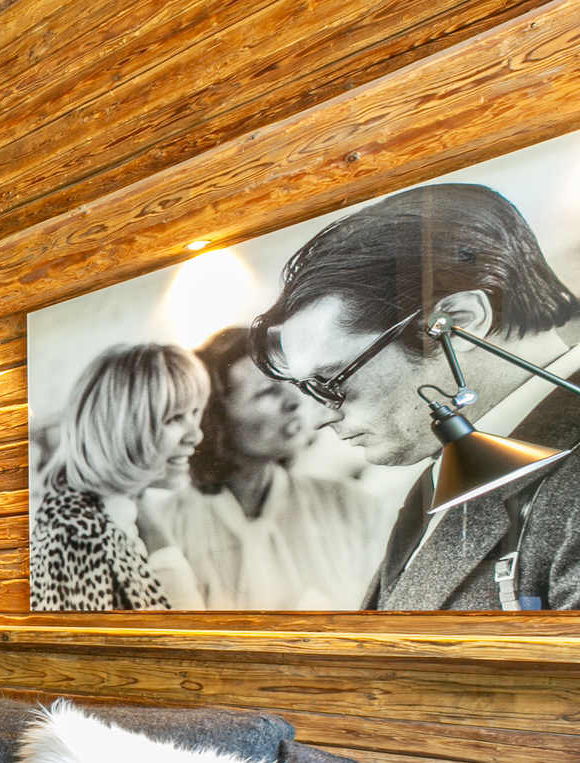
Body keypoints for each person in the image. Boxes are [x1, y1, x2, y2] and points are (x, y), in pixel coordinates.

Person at [250, 182, 580, 610]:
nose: (316, 419)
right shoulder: (448, 463)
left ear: (458, 322)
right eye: (306, 389)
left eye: (332, 381)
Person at [166, 327, 390, 608]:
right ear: (217, 416)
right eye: (268, 391)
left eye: (292, 383)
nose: (295, 400)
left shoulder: (353, 508)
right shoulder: (168, 524)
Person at [30, 343, 208, 610]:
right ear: (120, 428)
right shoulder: (82, 539)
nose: (196, 435)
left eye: (195, 413)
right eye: (173, 419)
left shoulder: (107, 512)